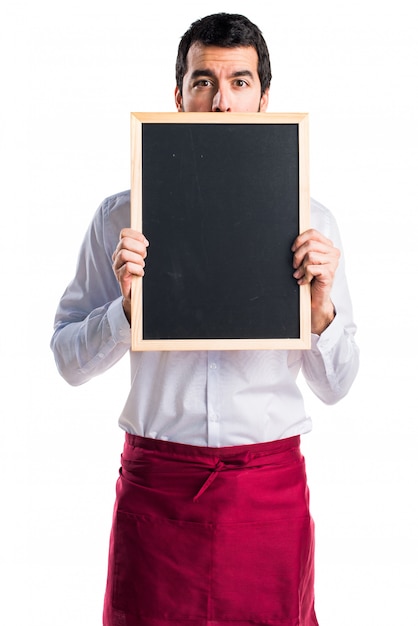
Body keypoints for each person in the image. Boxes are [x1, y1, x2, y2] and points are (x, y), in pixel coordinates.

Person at [51, 12, 359, 626]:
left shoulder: (312, 221)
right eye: (203, 83)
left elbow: (337, 386)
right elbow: (66, 362)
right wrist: (126, 311)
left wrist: (320, 309)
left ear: (264, 99)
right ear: (177, 96)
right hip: (157, 485)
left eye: (240, 83)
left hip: (267, 491)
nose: (220, 104)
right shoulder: (119, 217)